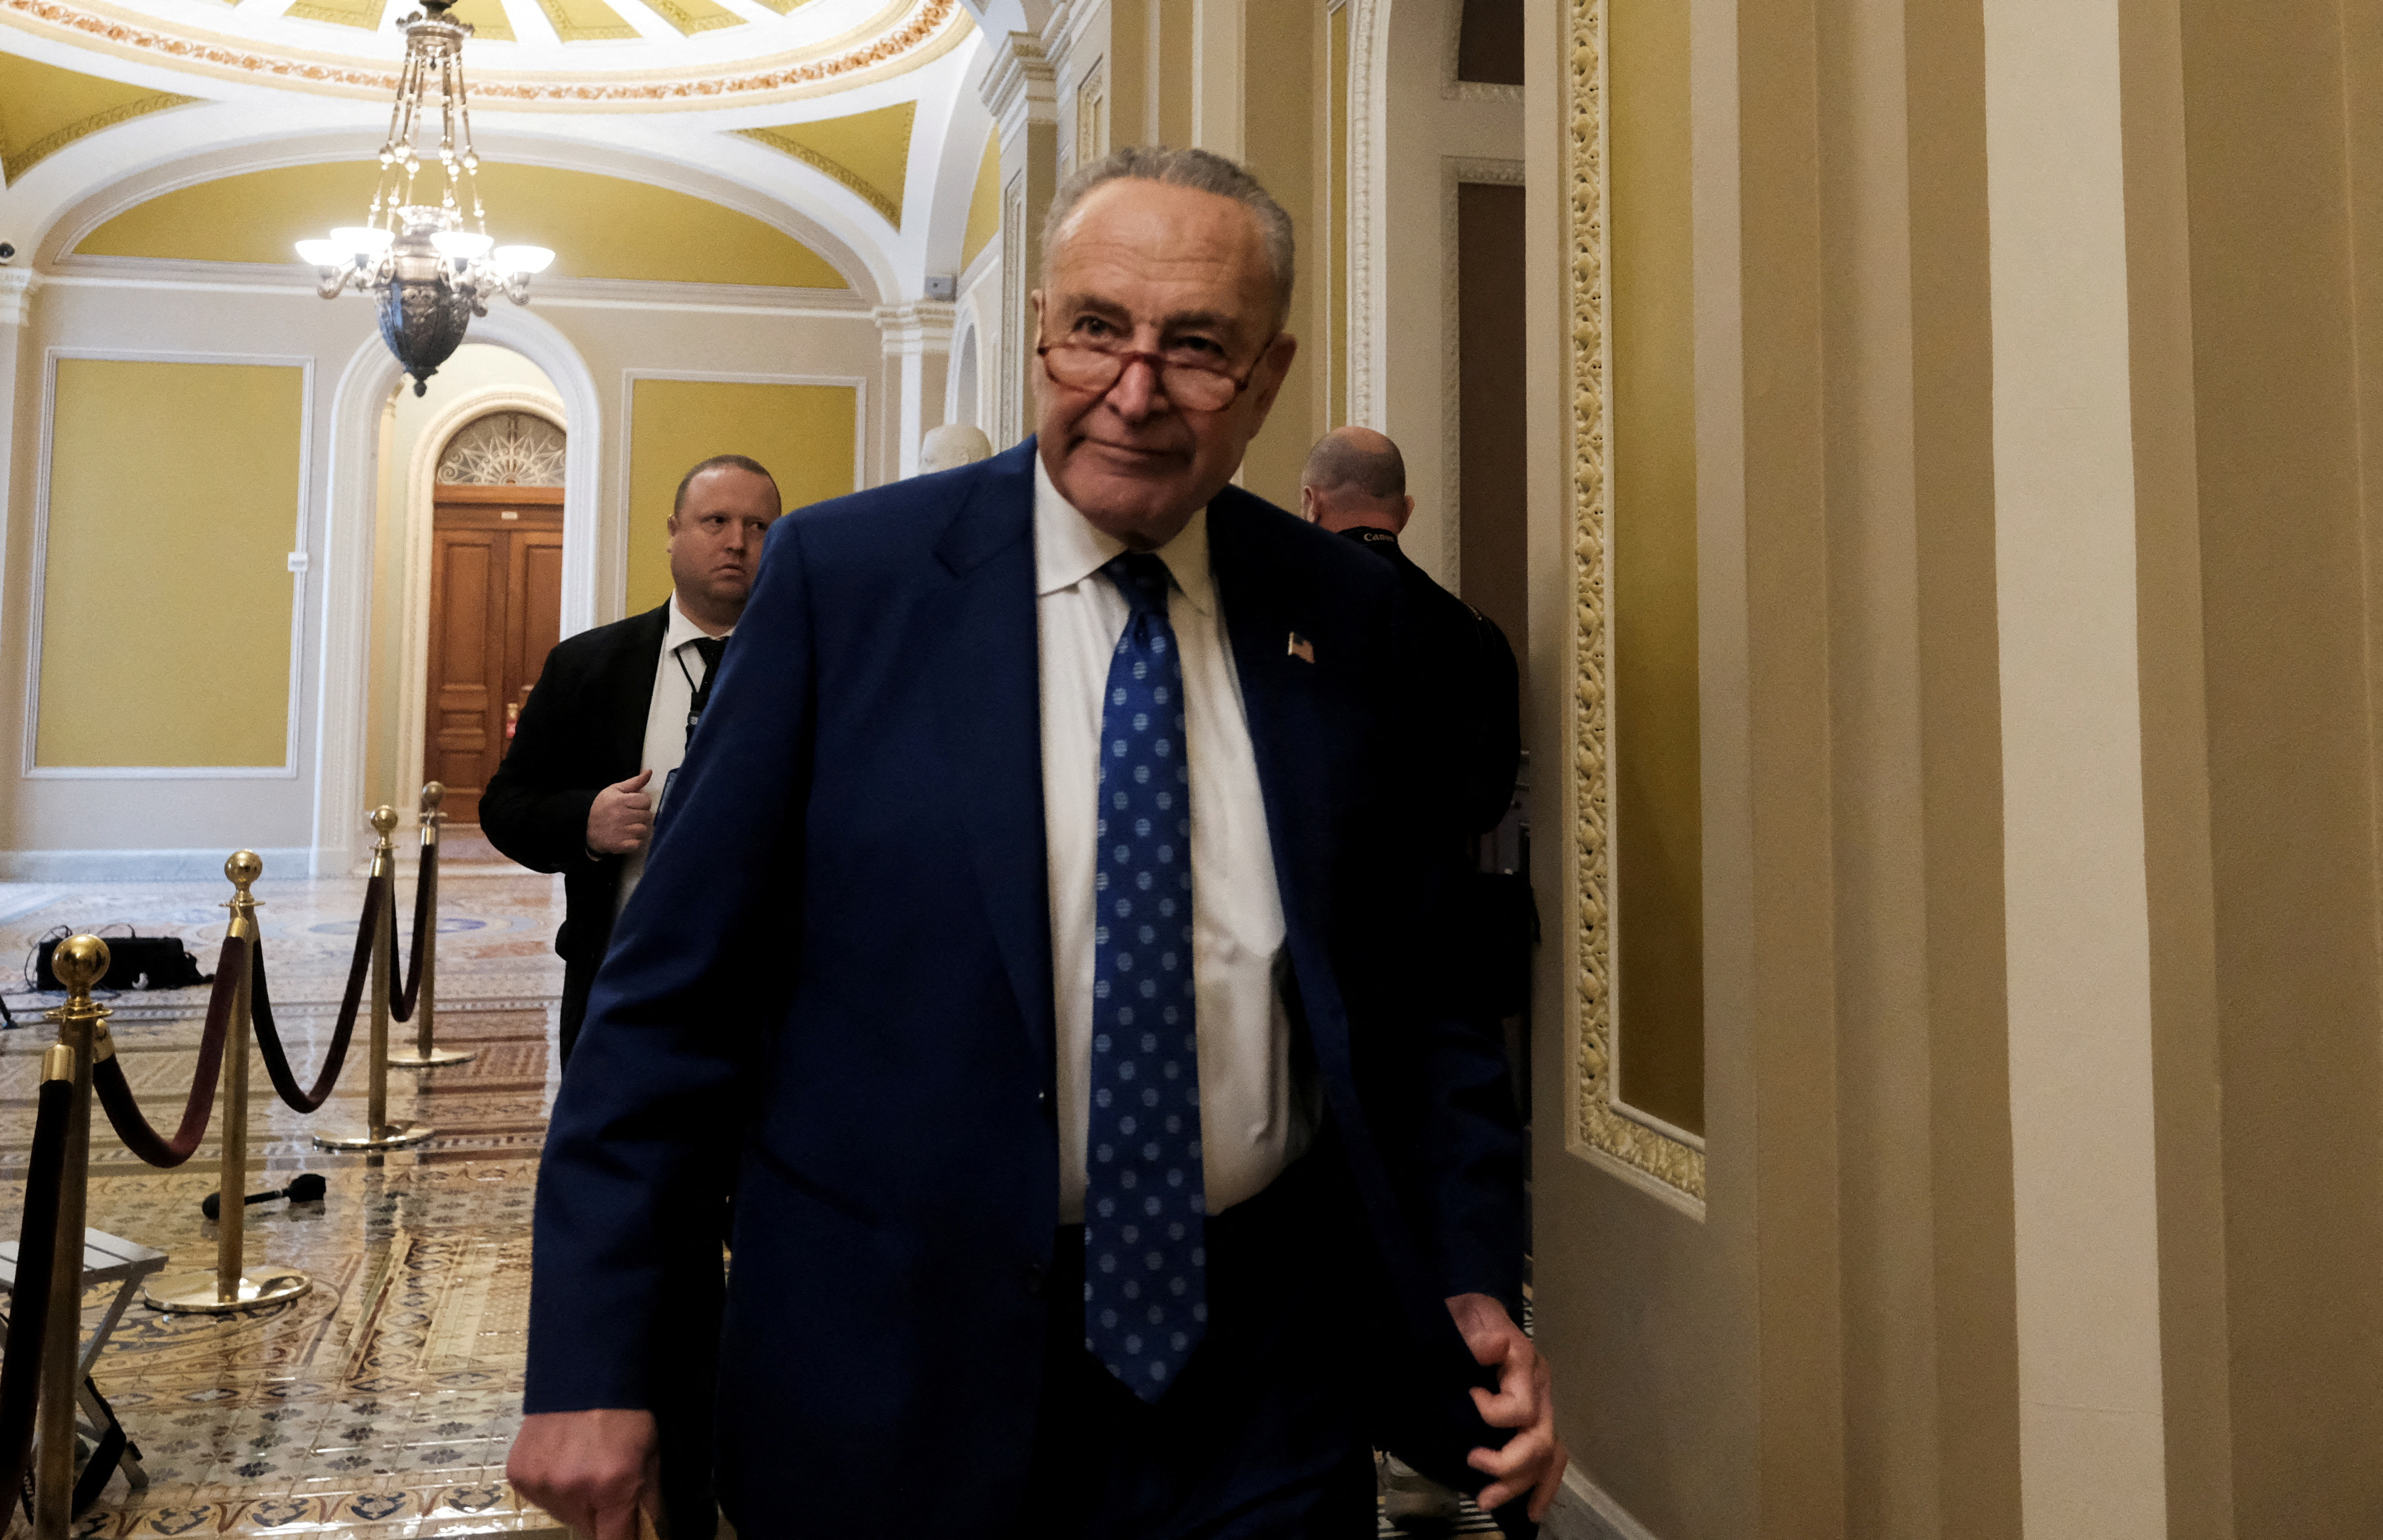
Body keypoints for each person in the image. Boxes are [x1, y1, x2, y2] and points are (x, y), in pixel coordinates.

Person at [507, 146, 1564, 1539]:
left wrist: (1472, 1272)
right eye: (1094, 332)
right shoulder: (848, 585)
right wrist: (592, 1359)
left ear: (1266, 373)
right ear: (1040, 333)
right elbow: (666, 1002)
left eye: (1196, 349)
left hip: (1259, 1375)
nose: (1133, 391)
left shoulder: (1342, 620)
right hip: (895, 1371)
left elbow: (1418, 997)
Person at [1299, 428, 1529, 1534]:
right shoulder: (1470, 633)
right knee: (1427, 1184)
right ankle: (1434, 1430)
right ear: (1407, 504)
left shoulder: (1292, 624)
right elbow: (1487, 791)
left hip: (1321, 953)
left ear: (1311, 503)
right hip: (1439, 949)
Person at [478, 453, 782, 1068]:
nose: (736, 542)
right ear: (673, 533)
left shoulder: (815, 672)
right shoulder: (587, 667)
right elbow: (506, 806)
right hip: (619, 989)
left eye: (758, 527)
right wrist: (584, 821)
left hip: (770, 1003)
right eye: (715, 520)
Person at [1300, 426, 1521, 839]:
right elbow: (1490, 802)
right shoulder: (1480, 635)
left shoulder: (1283, 619)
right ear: (1405, 511)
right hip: (1441, 894)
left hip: (1314, 892)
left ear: (1312, 504)